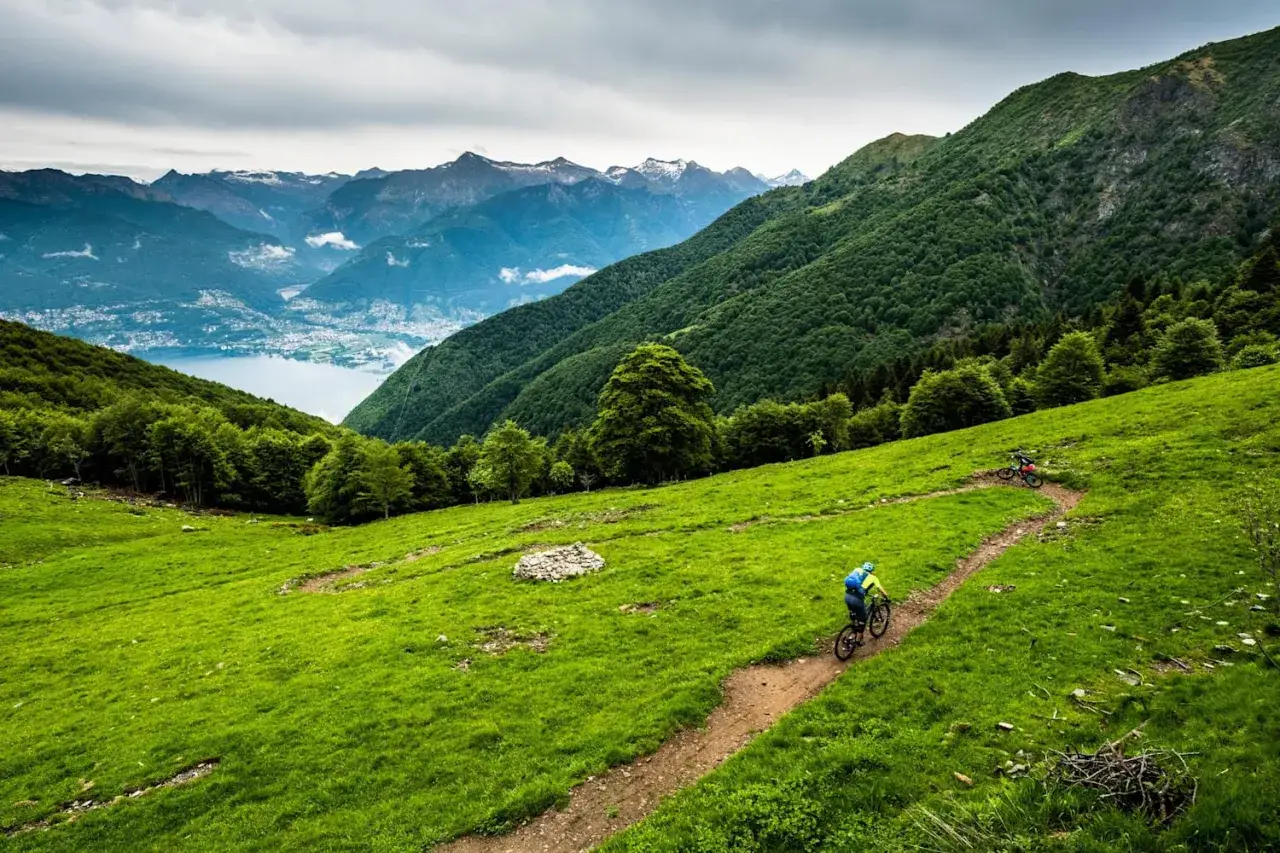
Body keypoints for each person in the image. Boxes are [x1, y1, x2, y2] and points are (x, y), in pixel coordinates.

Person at [844, 562, 888, 639]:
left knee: (854, 613)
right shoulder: (873, 578)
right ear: (872, 570)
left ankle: (853, 627)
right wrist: (886, 597)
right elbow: (881, 590)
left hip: (847, 596)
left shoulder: (857, 570)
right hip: (857, 600)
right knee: (863, 620)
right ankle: (858, 640)